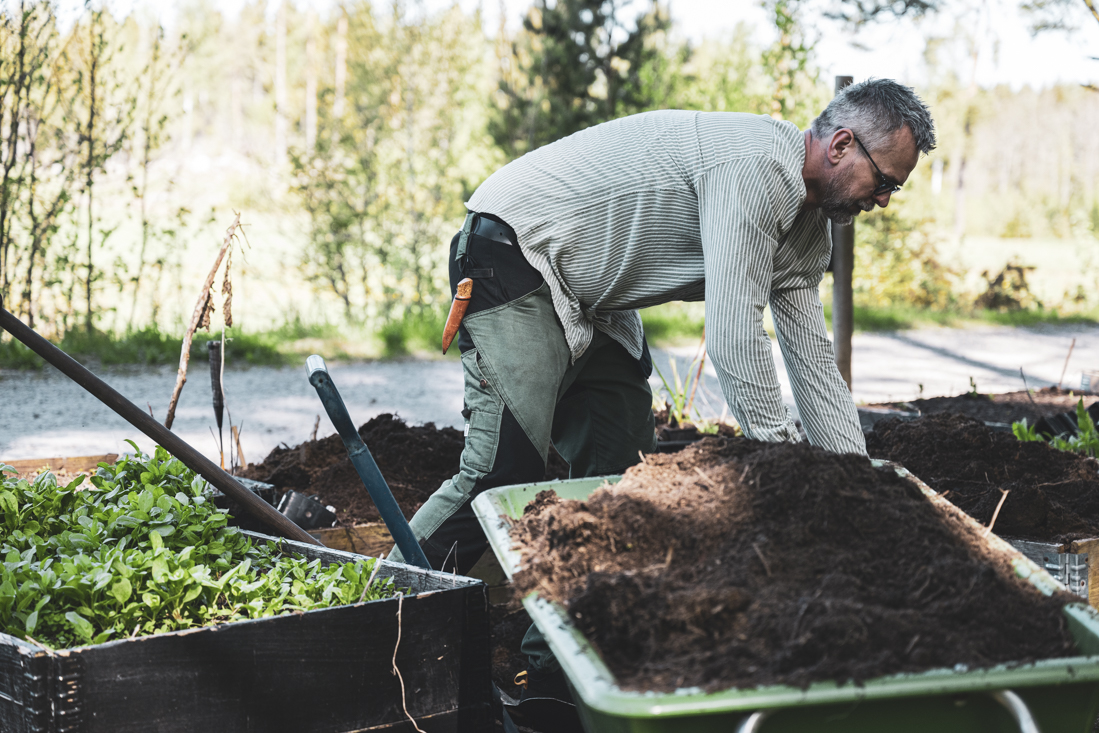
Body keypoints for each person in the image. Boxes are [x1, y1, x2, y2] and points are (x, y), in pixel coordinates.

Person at [390, 77, 936, 702]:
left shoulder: (810, 227)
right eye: (885, 181)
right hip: (520, 250)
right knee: (501, 469)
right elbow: (734, 338)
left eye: (894, 188)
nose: (884, 200)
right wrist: (787, 476)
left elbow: (812, 361)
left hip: (596, 293)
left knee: (619, 482)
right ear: (840, 145)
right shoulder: (756, 167)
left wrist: (859, 489)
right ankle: (379, 619)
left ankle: (555, 671)